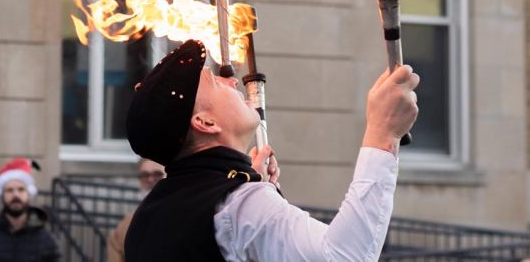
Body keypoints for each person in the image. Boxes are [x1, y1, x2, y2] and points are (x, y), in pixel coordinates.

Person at [124, 39, 419, 261]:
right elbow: (344, 256)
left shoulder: (146, 217)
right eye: (214, 81)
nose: (231, 81)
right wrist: (383, 134)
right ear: (205, 121)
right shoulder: (238, 204)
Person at [0, 157, 60, 262]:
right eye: (9, 190)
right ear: (2, 196)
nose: (15, 195)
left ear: (29, 194)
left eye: (21, 189)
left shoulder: (47, 242)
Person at [107, 158, 164, 262]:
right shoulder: (126, 224)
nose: (150, 180)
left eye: (157, 174)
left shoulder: (181, 216)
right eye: (145, 175)